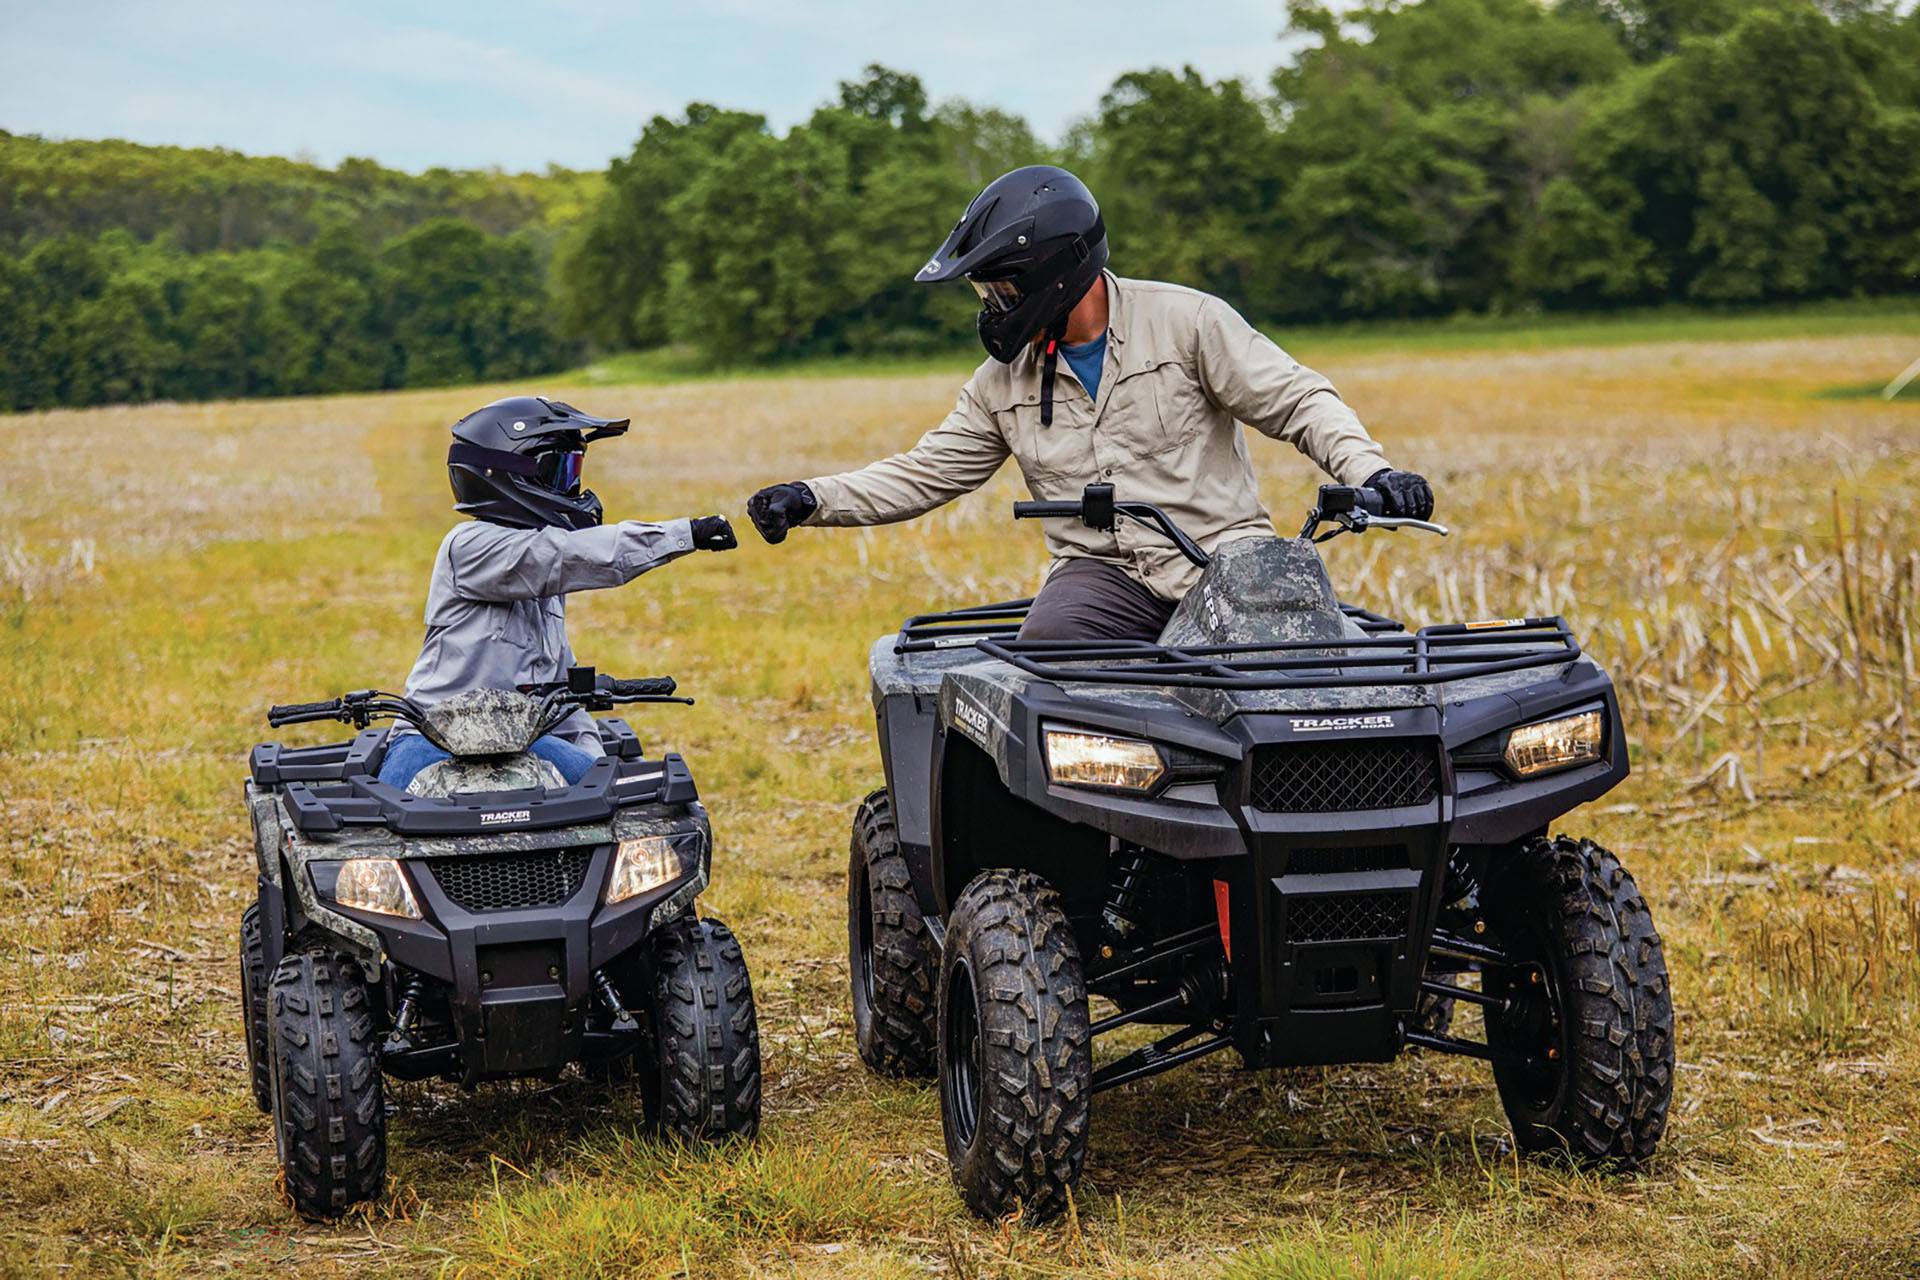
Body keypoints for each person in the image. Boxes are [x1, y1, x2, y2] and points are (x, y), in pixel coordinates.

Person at [746, 165, 1433, 642]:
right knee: (1046, 663)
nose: (993, 309)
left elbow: (1300, 400)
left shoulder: (1188, 322)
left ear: (1055, 273)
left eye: (1002, 291)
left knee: (1293, 683)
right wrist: (811, 498)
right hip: (1102, 578)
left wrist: (1370, 474)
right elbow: (925, 472)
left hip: (1227, 562)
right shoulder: (1002, 383)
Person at [377, 395, 737, 791]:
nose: (573, 487)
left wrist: (595, 766)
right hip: (433, 735)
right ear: (506, 474)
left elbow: (560, 687)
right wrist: (685, 534)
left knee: (618, 801)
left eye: (574, 471)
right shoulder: (472, 545)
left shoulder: (540, 581)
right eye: (560, 471)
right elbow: (567, 555)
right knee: (390, 814)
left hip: (521, 739)